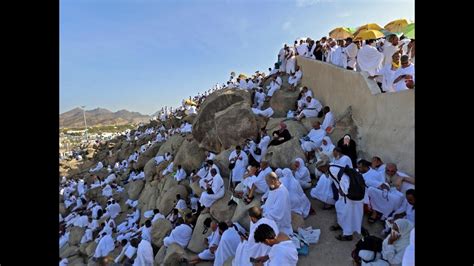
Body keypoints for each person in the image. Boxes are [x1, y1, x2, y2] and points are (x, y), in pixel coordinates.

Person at [316, 161, 363, 241]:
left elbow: (344, 179)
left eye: (321, 170)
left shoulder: (332, 170)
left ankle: (348, 235)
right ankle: (340, 224)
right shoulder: (330, 166)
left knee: (346, 212)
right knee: (339, 206)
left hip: (348, 193)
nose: (321, 172)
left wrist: (343, 191)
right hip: (345, 193)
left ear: (323, 167)